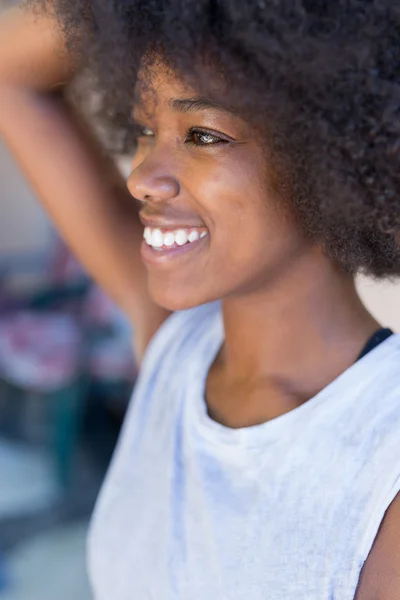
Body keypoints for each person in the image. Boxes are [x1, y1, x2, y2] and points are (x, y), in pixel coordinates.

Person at [1, 1, 400, 598]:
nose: (142, 177)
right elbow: (12, 76)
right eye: (145, 130)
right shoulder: (177, 344)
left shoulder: (383, 475)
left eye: (203, 135)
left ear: (333, 158)